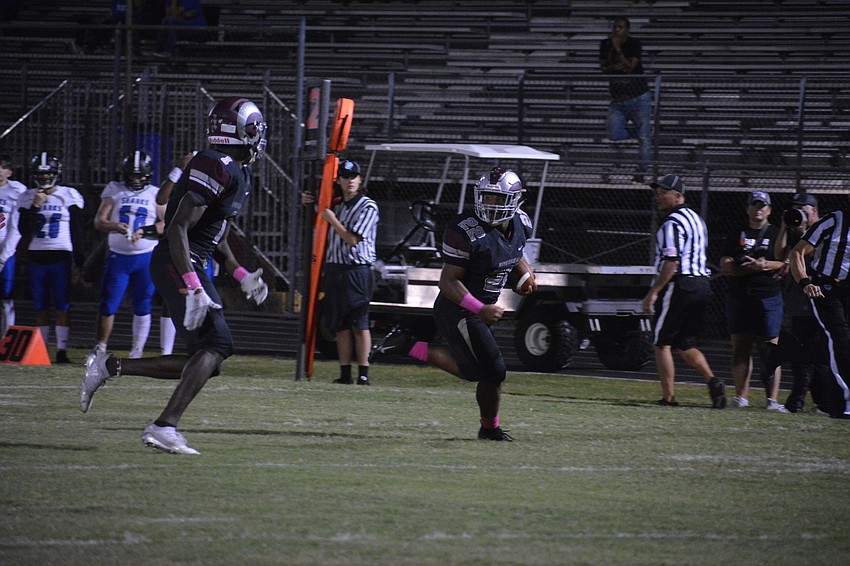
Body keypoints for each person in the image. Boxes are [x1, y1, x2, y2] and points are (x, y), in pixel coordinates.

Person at [79, 97, 270, 455]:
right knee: (218, 344)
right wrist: (192, 284)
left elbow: (218, 235)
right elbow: (179, 226)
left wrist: (240, 273)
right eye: (253, 129)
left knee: (207, 360)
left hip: (188, 260)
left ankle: (108, 366)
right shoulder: (217, 165)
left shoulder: (237, 170)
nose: (258, 136)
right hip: (176, 260)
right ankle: (164, 426)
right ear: (236, 132)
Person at [370, 167, 534, 441]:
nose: (490, 205)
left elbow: (513, 251)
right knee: (494, 370)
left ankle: (407, 345)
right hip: (458, 307)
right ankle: (489, 429)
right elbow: (447, 282)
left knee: (474, 371)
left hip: (482, 309)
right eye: (487, 197)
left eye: (498, 199)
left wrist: (527, 273)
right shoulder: (464, 231)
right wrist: (480, 309)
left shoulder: (522, 224)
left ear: (516, 200)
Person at [641, 174, 726, 408]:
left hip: (680, 284)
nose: (657, 197)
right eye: (656, 192)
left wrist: (654, 292)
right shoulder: (696, 219)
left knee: (661, 343)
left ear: (678, 196)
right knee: (686, 344)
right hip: (702, 285)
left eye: (663, 193)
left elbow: (671, 262)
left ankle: (668, 398)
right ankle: (713, 381)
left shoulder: (672, 223)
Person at [305, 160, 380, 385]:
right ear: (339, 180)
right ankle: (345, 373)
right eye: (346, 176)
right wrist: (309, 204)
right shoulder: (336, 204)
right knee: (340, 325)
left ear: (360, 179)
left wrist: (331, 219)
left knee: (359, 323)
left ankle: (364, 373)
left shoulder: (368, 206)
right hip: (335, 268)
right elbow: (318, 220)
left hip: (357, 269)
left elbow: (352, 239)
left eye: (354, 176)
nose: (350, 181)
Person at [92, 150, 165, 358]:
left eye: (139, 175)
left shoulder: (155, 193)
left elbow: (166, 223)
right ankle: (101, 347)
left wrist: (145, 231)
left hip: (145, 256)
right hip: (119, 256)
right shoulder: (115, 190)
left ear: (148, 174)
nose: (135, 179)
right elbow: (99, 221)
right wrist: (116, 226)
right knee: (108, 303)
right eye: (132, 175)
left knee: (143, 303)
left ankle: (137, 350)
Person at [766, 193, 833, 413]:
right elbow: (780, 253)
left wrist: (804, 230)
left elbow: (812, 254)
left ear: (815, 212)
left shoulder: (824, 232)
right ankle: (821, 402)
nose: (799, 214)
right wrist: (786, 226)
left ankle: (803, 402)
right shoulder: (798, 236)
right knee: (805, 354)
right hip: (798, 302)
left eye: (803, 209)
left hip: (816, 301)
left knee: (814, 355)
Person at [719, 191, 785, 410]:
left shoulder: (776, 233)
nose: (759, 209)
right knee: (740, 348)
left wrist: (765, 265)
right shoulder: (736, 233)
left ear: (769, 209)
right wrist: (743, 268)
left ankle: (772, 400)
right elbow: (725, 264)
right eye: (754, 205)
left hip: (768, 297)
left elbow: (787, 262)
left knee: (770, 350)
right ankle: (741, 397)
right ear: (747, 208)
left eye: (763, 205)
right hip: (740, 297)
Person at [16, 153, 86, 364]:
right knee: (40, 306)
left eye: (48, 174)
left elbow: (77, 230)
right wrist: (35, 206)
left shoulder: (68, 195)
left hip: (61, 256)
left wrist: (79, 262)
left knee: (63, 305)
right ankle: (43, 349)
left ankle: (62, 350)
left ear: (56, 174)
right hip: (36, 256)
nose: (45, 178)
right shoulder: (28, 196)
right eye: (40, 174)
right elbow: (23, 229)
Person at [788, 191, 850, 419]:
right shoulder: (833, 221)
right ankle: (844, 402)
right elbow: (797, 252)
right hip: (827, 290)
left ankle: (834, 399)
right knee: (840, 341)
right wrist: (805, 282)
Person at [599, 16, 652, 183]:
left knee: (644, 139)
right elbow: (604, 68)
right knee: (614, 134)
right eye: (615, 27)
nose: (616, 30)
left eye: (620, 27)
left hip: (638, 97)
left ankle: (641, 172)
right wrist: (614, 59)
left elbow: (631, 68)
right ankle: (641, 131)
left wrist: (619, 51)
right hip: (618, 99)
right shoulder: (605, 44)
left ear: (627, 30)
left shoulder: (634, 44)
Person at [0, 154, 26, 336]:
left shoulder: (17, 191)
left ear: (9, 172)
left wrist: (4, 254)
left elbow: (15, 226)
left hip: (4, 250)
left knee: (5, 295)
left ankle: (6, 337)